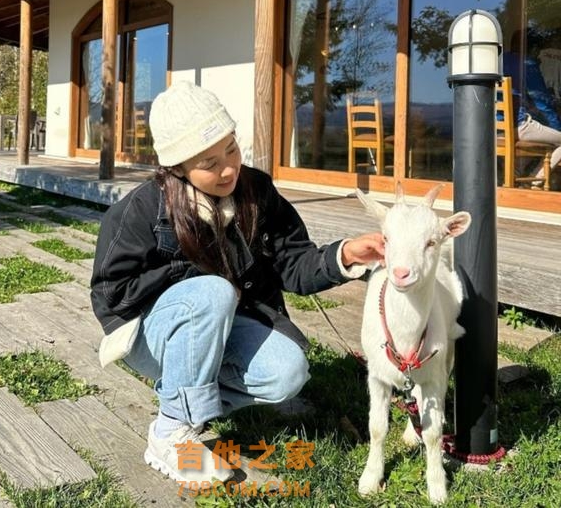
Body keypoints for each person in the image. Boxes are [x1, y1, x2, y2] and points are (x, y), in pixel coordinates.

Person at [90, 80, 385, 485]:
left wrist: (344, 255)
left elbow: (294, 264)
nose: (228, 168)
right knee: (211, 291)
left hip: (223, 325)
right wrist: (188, 276)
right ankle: (171, 433)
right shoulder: (141, 211)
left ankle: (184, 397)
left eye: (231, 149)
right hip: (152, 336)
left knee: (288, 372)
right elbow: (110, 294)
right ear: (176, 167)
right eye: (209, 164)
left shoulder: (257, 191)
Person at [504, 52, 561, 186]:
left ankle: (515, 177)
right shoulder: (526, 64)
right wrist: (557, 127)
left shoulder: (493, 62)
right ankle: (534, 182)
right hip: (518, 127)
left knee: (538, 142)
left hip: (493, 129)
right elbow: (541, 101)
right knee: (555, 140)